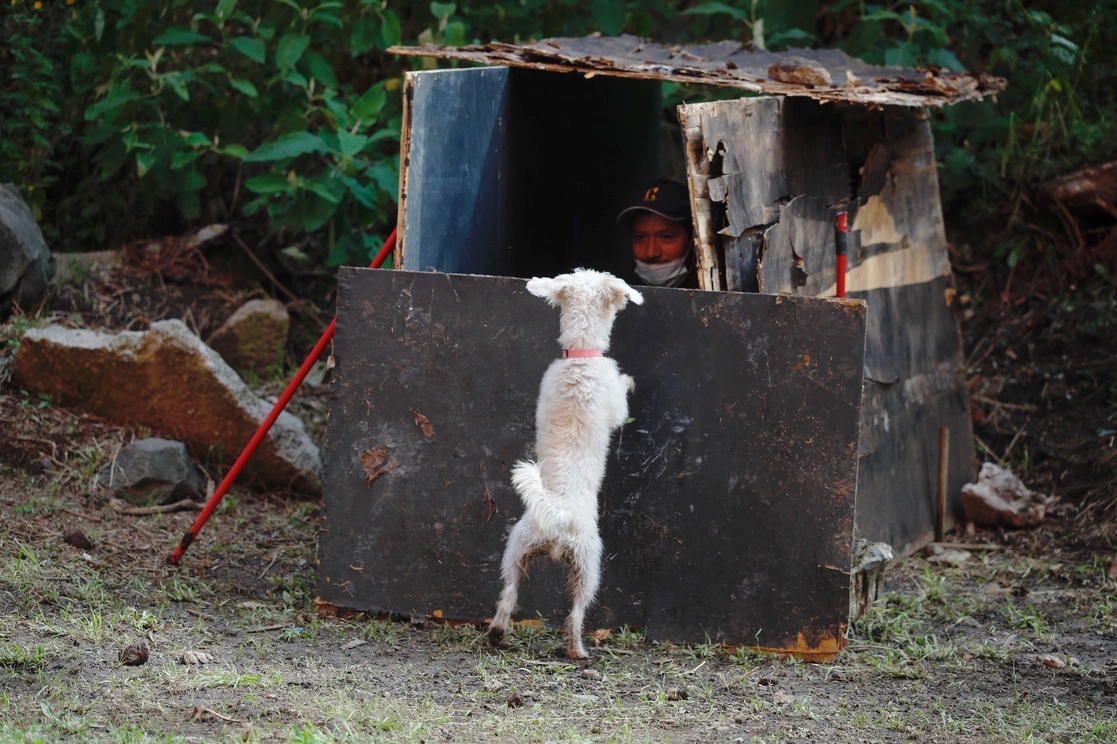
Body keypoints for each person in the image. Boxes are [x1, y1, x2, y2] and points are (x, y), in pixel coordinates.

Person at [616, 178, 698, 289]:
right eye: (640, 237)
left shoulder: (716, 295)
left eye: (666, 237)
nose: (651, 253)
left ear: (694, 241)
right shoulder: (620, 298)